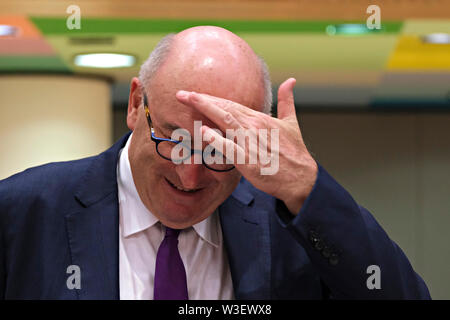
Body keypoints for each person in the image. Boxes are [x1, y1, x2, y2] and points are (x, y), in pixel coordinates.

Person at [0, 26, 430, 299]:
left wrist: (307, 186)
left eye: (218, 150)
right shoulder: (23, 211)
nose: (190, 175)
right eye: (173, 138)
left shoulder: (287, 228)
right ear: (136, 104)